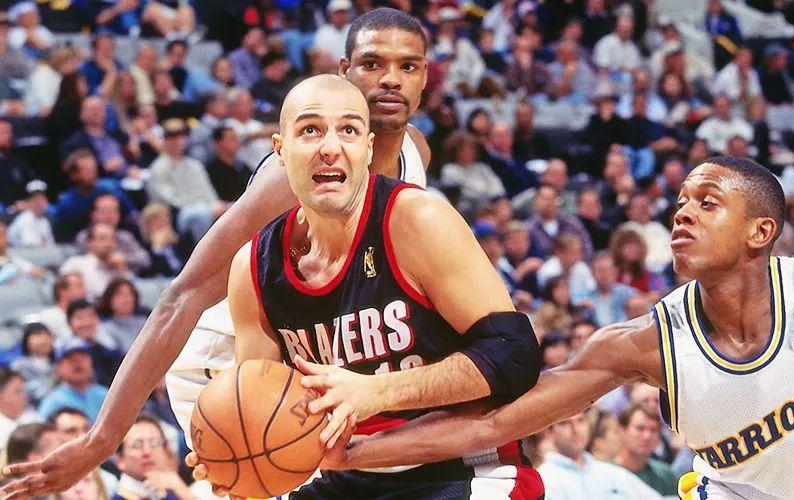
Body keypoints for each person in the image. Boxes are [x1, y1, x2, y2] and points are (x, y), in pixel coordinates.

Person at [0, 8, 438, 497]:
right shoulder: (288, 180)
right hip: (225, 361)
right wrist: (99, 441)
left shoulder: (415, 153)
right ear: (344, 72)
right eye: (372, 64)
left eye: (408, 66)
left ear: (425, 77)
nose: (390, 80)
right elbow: (181, 297)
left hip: (312, 350)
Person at [316, 159, 794, 500]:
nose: (682, 212)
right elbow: (493, 424)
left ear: (760, 232)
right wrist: (355, 454)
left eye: (708, 203)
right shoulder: (642, 344)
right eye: (681, 201)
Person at [184, 73, 541, 498]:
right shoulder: (253, 268)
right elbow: (261, 410)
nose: (330, 147)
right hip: (347, 475)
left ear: (368, 148)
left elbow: (515, 354)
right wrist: (239, 458)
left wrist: (378, 391)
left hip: (461, 466)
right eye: (310, 130)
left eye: (349, 130)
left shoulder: (416, 220)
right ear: (280, 150)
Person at [538, 409, 660, 500]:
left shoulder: (611, 473)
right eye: (565, 423)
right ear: (548, 431)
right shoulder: (544, 479)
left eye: (580, 421)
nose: (575, 429)